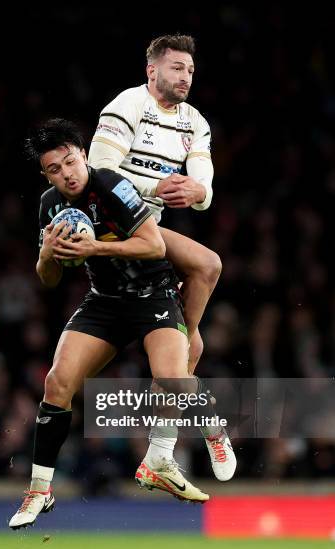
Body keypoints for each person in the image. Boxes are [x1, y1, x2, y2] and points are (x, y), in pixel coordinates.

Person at [9, 118, 217, 530]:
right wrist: (47, 255)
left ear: (82, 154)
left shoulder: (109, 184)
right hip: (105, 303)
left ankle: (160, 459)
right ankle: (39, 490)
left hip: (154, 295)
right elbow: (48, 280)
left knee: (172, 378)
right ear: (46, 174)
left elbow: (154, 244)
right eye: (55, 169)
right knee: (57, 383)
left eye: (70, 162)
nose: (66, 174)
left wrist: (94, 247)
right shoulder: (50, 204)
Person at [89, 33, 221, 377]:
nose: (185, 77)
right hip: (109, 221)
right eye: (177, 67)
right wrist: (156, 186)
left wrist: (198, 192)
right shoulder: (127, 105)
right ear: (151, 71)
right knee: (207, 265)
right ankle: (183, 339)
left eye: (190, 70)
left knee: (194, 342)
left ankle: (164, 428)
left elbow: (204, 183)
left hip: (149, 226)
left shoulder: (194, 122)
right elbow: (98, 171)